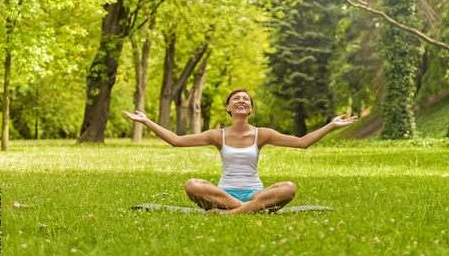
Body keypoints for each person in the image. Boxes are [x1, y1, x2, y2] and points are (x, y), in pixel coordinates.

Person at [122, 89, 357, 214]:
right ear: (229, 107)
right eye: (236, 98)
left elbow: (303, 142)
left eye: (246, 99)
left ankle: (232, 214)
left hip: (256, 194)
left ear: (251, 108)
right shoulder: (217, 135)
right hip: (223, 195)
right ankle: (250, 212)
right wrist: (146, 121)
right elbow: (176, 140)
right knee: (192, 184)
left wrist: (331, 125)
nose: (241, 100)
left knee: (289, 188)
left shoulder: (261, 134)